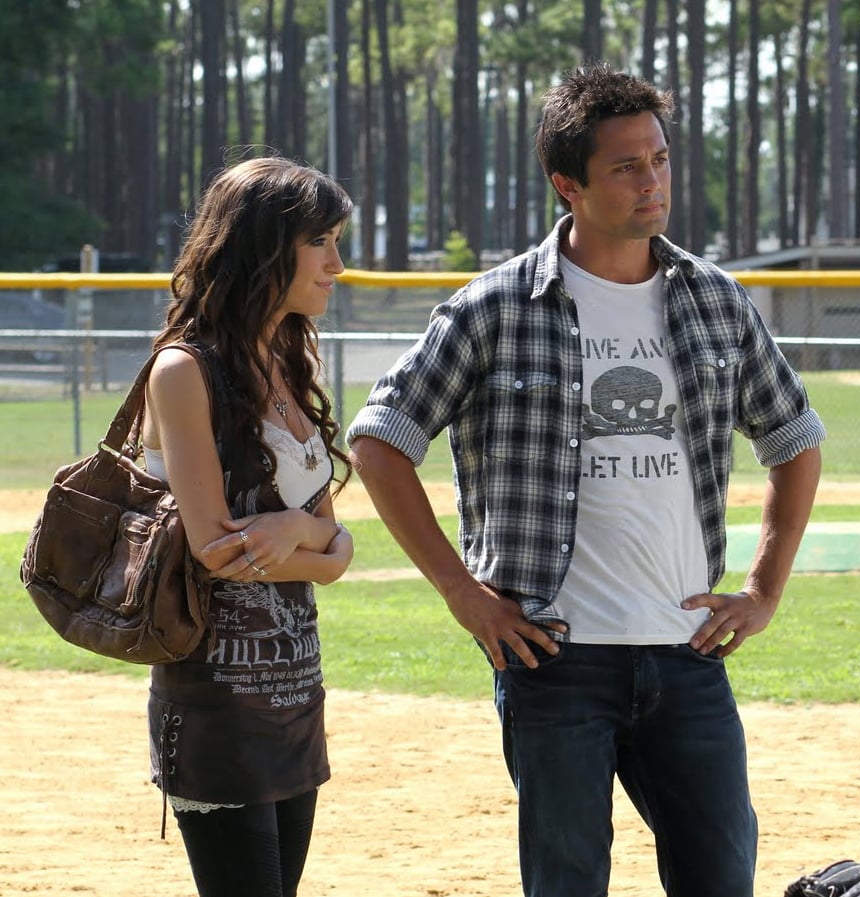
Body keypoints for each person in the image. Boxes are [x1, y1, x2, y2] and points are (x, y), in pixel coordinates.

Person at [346, 62, 825, 897]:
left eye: (660, 159)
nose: (652, 183)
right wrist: (462, 592)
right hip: (553, 658)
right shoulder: (494, 308)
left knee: (721, 878)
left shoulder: (714, 299)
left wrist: (762, 590)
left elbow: (794, 439)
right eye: (626, 166)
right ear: (567, 184)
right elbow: (381, 440)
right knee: (566, 883)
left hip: (687, 652)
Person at [142, 155, 357, 896]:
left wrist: (295, 530)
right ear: (261, 247)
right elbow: (217, 550)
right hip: (216, 703)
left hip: (296, 694)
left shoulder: (292, 363)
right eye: (318, 242)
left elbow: (335, 547)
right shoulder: (184, 370)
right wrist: (316, 542)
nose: (336, 264)